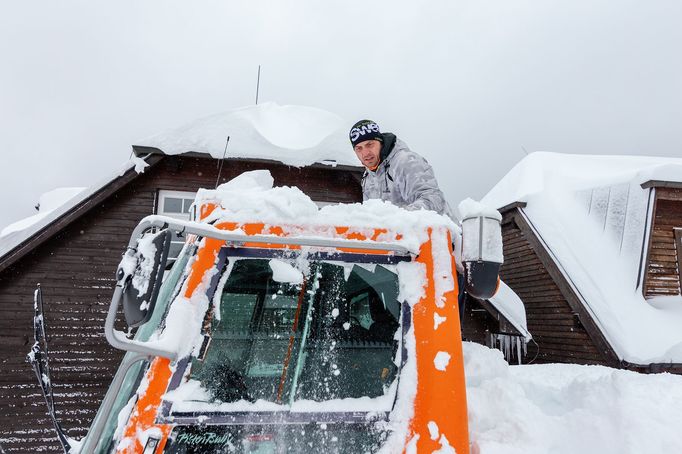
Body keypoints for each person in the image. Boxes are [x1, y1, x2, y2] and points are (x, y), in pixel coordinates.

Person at [349, 119, 454, 218]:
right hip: (401, 236)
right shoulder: (368, 178)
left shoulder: (405, 162)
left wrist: (398, 219)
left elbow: (433, 199)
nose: (365, 153)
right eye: (359, 148)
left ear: (380, 142)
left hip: (440, 234)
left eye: (370, 145)